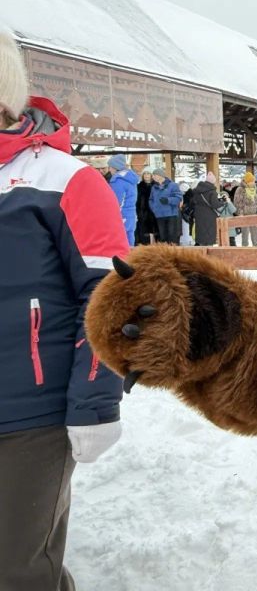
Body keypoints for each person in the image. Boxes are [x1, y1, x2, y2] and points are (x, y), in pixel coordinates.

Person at [0, 34, 127, 591]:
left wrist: (95, 399)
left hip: (30, 418)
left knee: (17, 569)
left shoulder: (66, 179)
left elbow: (108, 298)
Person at [107, 154, 138, 246]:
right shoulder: (130, 178)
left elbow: (116, 201)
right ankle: (131, 259)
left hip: (121, 214)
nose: (109, 170)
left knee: (119, 241)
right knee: (129, 238)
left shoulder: (117, 181)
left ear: (116, 168)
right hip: (131, 213)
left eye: (110, 167)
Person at [149, 168, 183, 244]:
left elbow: (178, 198)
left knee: (172, 237)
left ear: (160, 175)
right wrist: (154, 208)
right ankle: (164, 254)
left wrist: (168, 200)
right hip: (159, 215)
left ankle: (173, 253)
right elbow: (151, 200)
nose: (152, 177)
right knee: (162, 238)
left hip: (171, 215)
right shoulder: (154, 187)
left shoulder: (173, 185)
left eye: (154, 175)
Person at [192, 172, 225, 247]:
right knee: (209, 236)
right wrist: (222, 202)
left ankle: (202, 253)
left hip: (199, 216)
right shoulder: (212, 191)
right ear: (213, 181)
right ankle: (208, 254)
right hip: (209, 217)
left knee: (201, 236)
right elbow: (215, 204)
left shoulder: (197, 191)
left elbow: (193, 201)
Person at [232, 172, 257, 247]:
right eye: (251, 181)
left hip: (254, 214)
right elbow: (237, 203)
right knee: (245, 235)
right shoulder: (240, 189)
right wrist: (240, 213)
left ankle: (256, 248)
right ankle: (245, 249)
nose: (253, 182)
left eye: (253, 181)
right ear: (247, 181)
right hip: (244, 215)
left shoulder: (255, 188)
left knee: (255, 234)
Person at [135, 170, 158, 245]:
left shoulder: (156, 186)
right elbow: (136, 200)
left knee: (155, 231)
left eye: (148, 173)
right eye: (145, 173)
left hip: (154, 211)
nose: (146, 175)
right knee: (143, 232)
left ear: (152, 175)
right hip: (142, 212)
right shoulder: (138, 186)